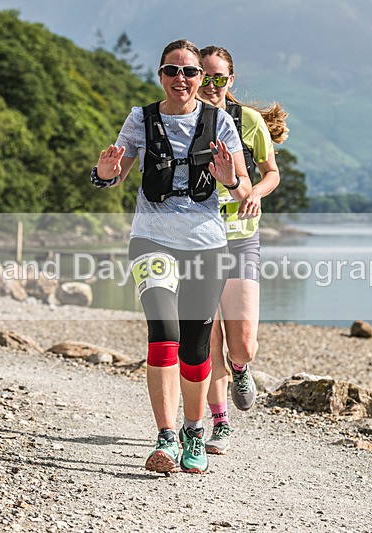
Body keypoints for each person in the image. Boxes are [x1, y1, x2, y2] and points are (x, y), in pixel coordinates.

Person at [91, 39, 251, 474]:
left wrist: (228, 177)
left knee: (196, 350)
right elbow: (114, 175)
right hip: (152, 240)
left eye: (190, 72)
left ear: (202, 78)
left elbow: (242, 191)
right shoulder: (140, 119)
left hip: (205, 244)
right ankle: (164, 436)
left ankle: (193, 431)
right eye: (171, 71)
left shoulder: (219, 122)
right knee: (164, 335)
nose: (181, 79)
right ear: (160, 76)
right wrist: (104, 173)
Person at [197, 45, 289, 455]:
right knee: (207, 339)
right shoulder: (182, 120)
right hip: (196, 239)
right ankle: (220, 424)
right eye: (205, 76)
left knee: (243, 343)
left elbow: (271, 174)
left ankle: (241, 368)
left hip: (240, 236)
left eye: (220, 78)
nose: (212, 85)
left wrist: (256, 195)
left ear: (230, 81)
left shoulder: (247, 121)